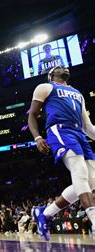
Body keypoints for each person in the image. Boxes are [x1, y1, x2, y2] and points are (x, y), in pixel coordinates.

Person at [28, 66, 95, 240]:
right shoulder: (46, 87)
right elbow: (32, 115)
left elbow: (88, 127)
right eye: (58, 67)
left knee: (91, 181)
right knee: (79, 171)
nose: (62, 67)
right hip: (60, 130)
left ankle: (45, 212)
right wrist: (37, 138)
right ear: (51, 75)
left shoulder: (78, 93)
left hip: (79, 133)